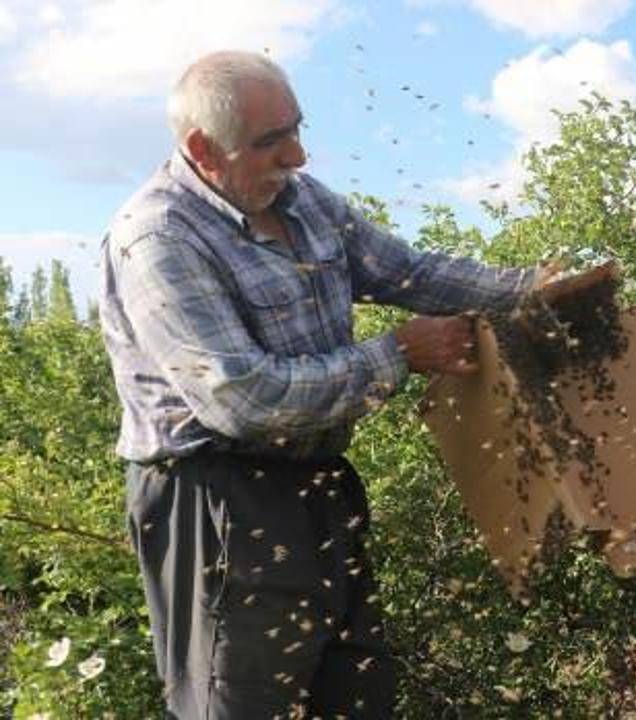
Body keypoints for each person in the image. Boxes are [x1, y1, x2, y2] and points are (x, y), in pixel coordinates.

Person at [99, 50, 545, 718]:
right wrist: (396, 354)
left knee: (352, 695)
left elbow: (410, 273)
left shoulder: (303, 201)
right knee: (243, 703)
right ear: (202, 147)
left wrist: (534, 290)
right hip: (217, 497)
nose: (298, 158)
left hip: (316, 485)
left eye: (296, 130)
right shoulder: (158, 237)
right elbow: (241, 399)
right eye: (271, 143)